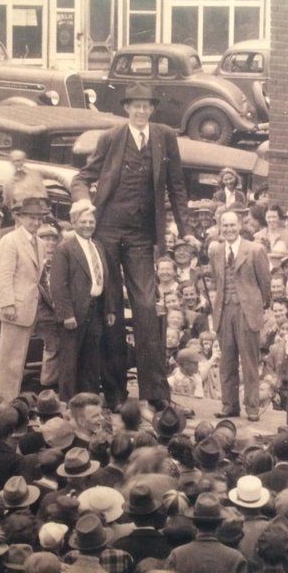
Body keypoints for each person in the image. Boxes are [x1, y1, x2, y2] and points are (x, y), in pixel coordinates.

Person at [70, 81, 196, 411]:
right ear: (127, 108)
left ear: (152, 109)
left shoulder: (165, 137)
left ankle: (155, 392)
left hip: (141, 236)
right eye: (135, 106)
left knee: (145, 307)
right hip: (109, 233)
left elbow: (177, 186)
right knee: (110, 310)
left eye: (147, 106)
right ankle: (114, 393)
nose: (141, 111)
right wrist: (84, 205)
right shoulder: (111, 138)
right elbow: (81, 178)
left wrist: (187, 230)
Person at [50, 200, 115, 402]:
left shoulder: (98, 246)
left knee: (91, 361)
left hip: (96, 310)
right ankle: (68, 405)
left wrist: (109, 309)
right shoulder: (65, 248)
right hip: (74, 313)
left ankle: (89, 404)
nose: (88, 225)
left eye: (91, 222)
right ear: (74, 222)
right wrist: (66, 314)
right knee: (70, 362)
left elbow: (106, 279)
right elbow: (58, 285)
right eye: (83, 221)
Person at [209, 210, 271, 420]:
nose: (228, 229)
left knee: (249, 362)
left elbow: (265, 284)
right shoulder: (216, 251)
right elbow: (217, 280)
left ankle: (252, 408)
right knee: (226, 361)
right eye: (224, 226)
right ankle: (229, 406)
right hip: (224, 310)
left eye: (232, 225)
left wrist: (254, 305)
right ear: (220, 227)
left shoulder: (255, 250)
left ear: (240, 225)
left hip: (247, 311)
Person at [0, 197, 49, 402]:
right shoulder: (10, 240)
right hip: (14, 308)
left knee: (19, 358)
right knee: (9, 360)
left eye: (39, 219)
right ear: (21, 217)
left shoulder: (40, 243)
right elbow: (3, 275)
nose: (36, 222)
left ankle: (13, 400)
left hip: (30, 307)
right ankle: (4, 403)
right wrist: (7, 303)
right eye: (32, 218)